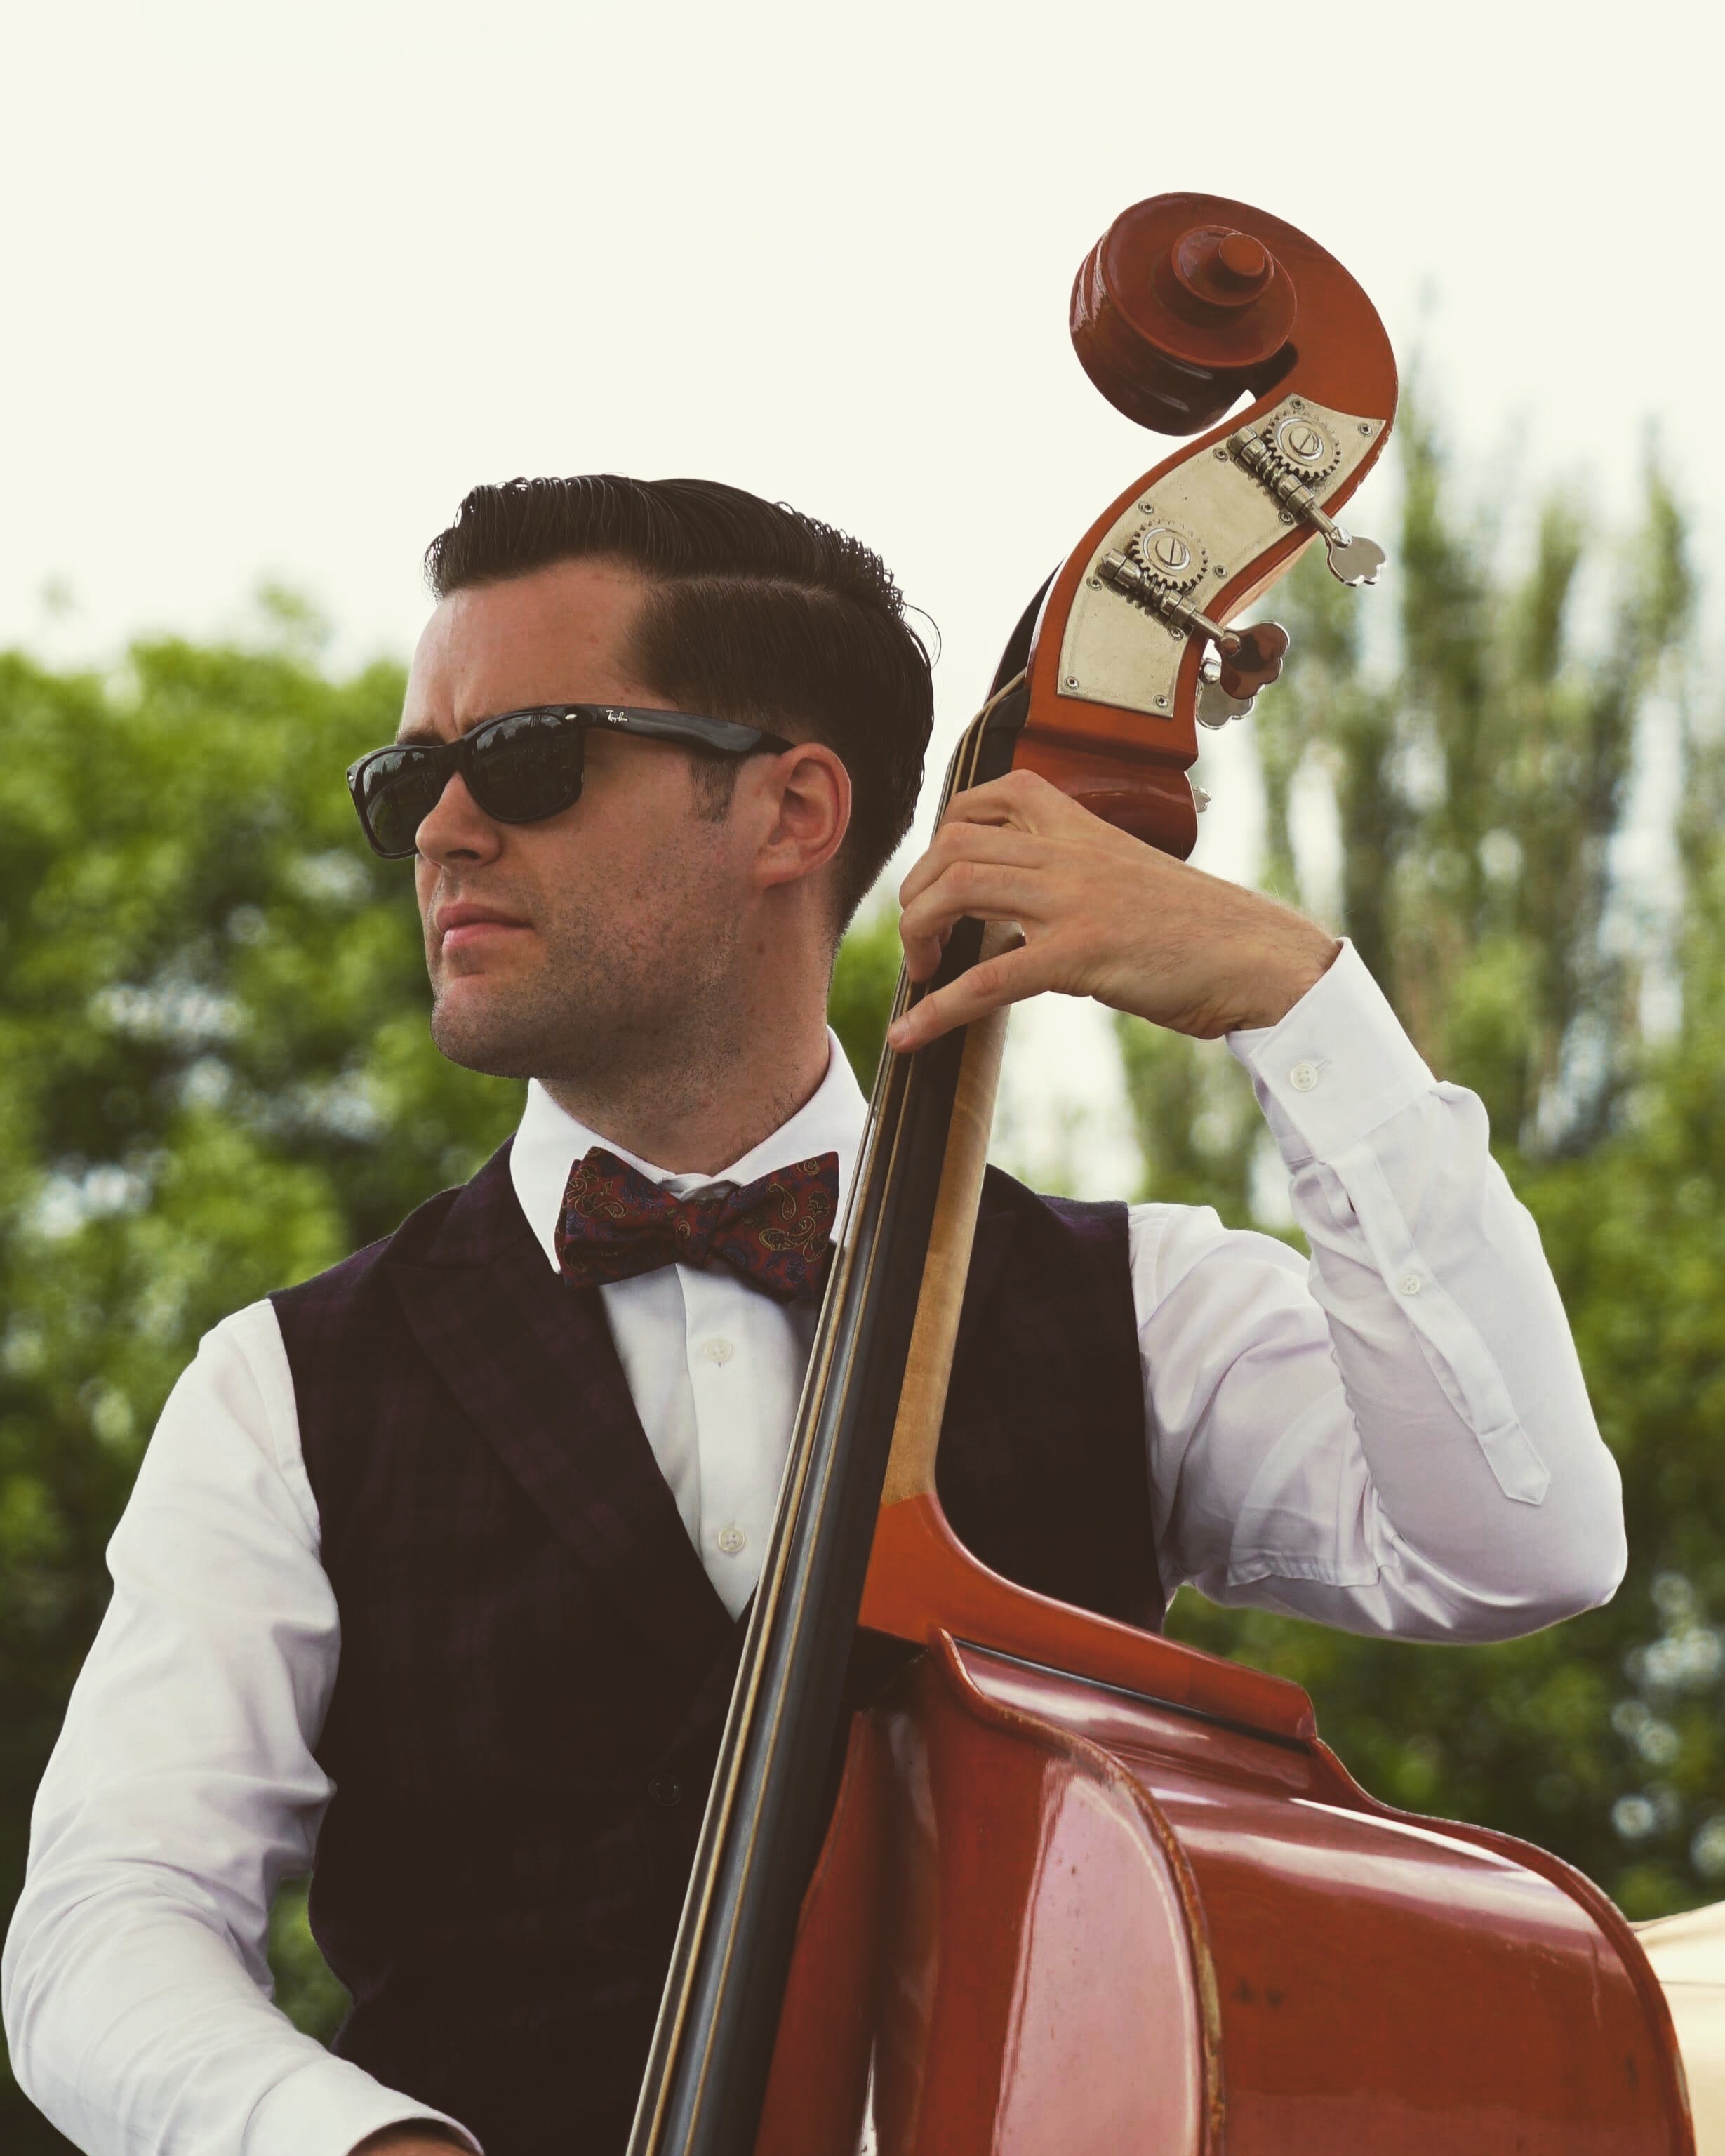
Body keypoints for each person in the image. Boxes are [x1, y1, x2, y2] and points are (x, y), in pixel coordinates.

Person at [4, 477, 1627, 2156]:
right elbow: (105, 1925)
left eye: (528, 759)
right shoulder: (278, 1389)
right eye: (410, 778)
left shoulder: (1144, 1303)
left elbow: (1520, 1543)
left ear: (789, 809)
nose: (444, 830)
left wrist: (1297, 1004)